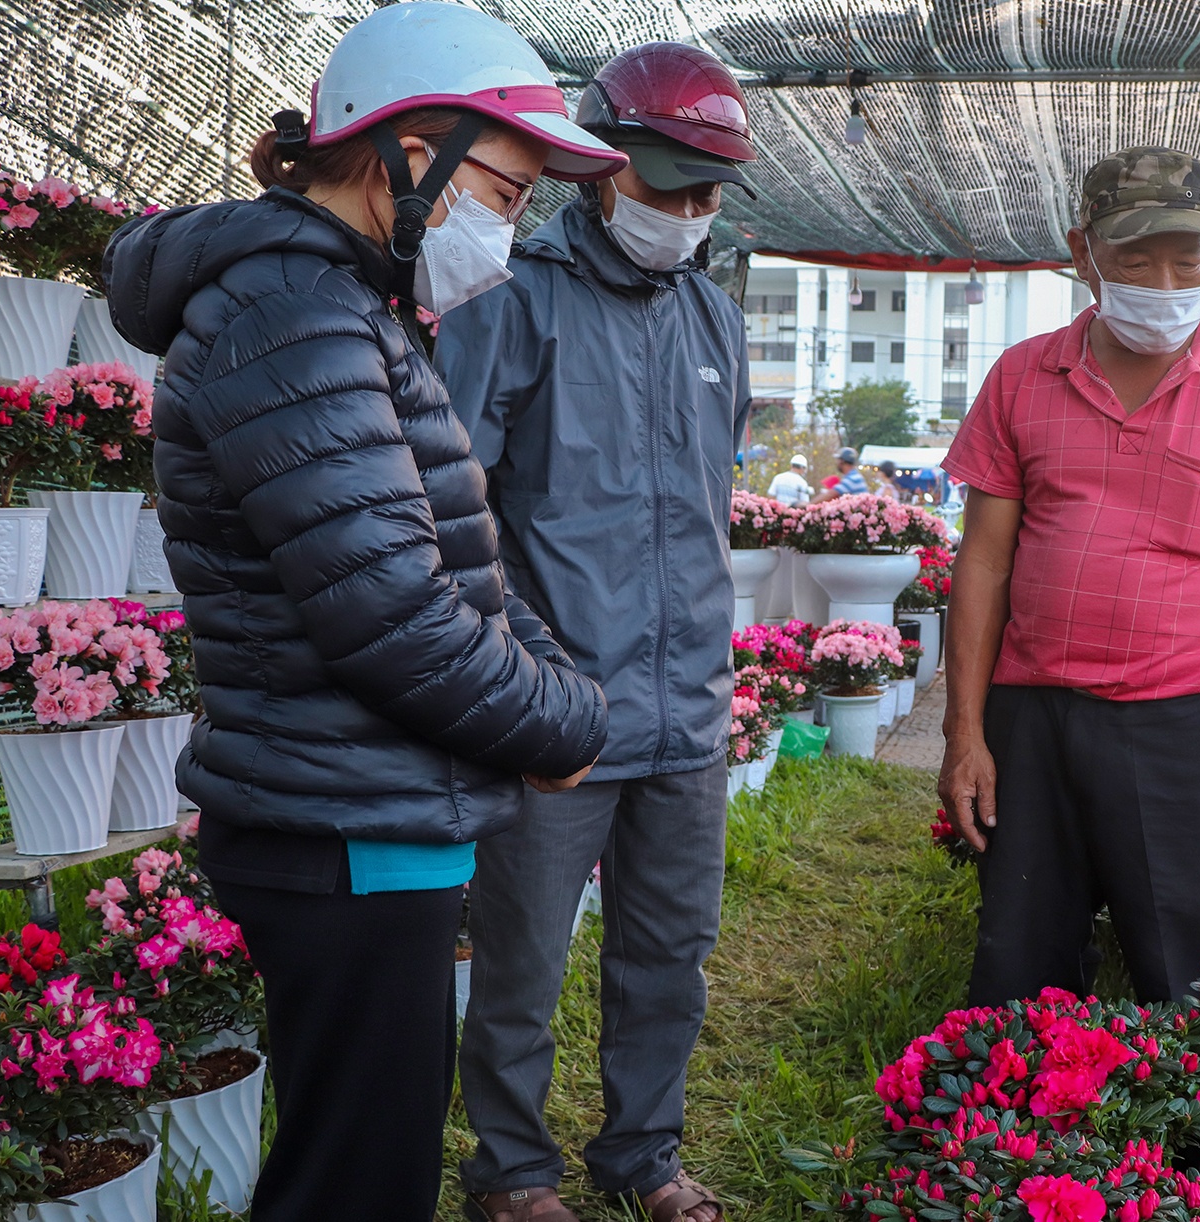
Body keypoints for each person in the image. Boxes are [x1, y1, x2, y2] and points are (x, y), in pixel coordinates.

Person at [101, 5, 619, 1217]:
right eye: (505, 192)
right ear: (407, 156)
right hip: (343, 824)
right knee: (356, 1178)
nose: (508, 229)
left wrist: (557, 688)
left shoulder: (343, 306)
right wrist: (564, 725)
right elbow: (393, 615)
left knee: (367, 1153)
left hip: (364, 806)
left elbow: (459, 563)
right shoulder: (293, 316)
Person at [935, 148, 1200, 1160]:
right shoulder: (1023, 376)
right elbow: (982, 564)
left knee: (1196, 978)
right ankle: (1011, 1169)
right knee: (1019, 971)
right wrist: (964, 732)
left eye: (1187, 257)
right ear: (1085, 254)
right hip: (1036, 721)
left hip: (1187, 729)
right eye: (1137, 258)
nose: (1166, 281)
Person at [434, 40, 753, 1222]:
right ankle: (512, 1171)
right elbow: (453, 504)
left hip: (688, 709)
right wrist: (519, 677)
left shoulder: (714, 319)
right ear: (599, 166)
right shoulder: (511, 300)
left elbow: (708, 507)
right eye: (669, 188)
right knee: (521, 953)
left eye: (708, 195)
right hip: (555, 706)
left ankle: (643, 1155)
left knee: (670, 949)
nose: (690, 215)